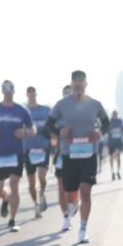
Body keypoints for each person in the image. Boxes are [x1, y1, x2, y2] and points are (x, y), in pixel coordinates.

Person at [44, 70, 109, 244]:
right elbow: (48, 124)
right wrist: (59, 132)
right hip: (69, 155)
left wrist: (99, 131)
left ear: (86, 84)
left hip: (89, 154)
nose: (79, 86)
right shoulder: (62, 104)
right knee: (70, 194)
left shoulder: (95, 104)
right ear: (72, 84)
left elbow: (106, 122)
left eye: (81, 82)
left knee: (86, 192)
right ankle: (71, 208)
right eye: (76, 83)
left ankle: (83, 230)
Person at [0, 80, 34, 232]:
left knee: (14, 184)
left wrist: (24, 133)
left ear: (13, 92)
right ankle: (5, 199)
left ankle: (12, 220)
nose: (8, 93)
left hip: (15, 153)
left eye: (10, 90)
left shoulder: (22, 110)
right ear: (2, 91)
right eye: (5, 90)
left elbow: (32, 130)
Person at [48, 84, 77, 231]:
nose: (67, 96)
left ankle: (73, 204)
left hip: (78, 155)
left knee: (73, 189)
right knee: (61, 187)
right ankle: (66, 217)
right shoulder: (56, 115)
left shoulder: (80, 113)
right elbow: (49, 132)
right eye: (64, 94)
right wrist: (55, 140)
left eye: (69, 93)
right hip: (61, 156)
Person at [22, 86, 51, 219]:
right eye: (29, 94)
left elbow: (52, 125)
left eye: (33, 94)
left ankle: (42, 192)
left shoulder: (45, 110)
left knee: (42, 177)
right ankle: (36, 205)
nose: (31, 96)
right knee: (32, 183)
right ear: (27, 95)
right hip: (28, 149)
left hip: (43, 147)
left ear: (36, 95)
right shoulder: (23, 112)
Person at [107, 110, 123, 180]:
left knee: (118, 156)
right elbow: (107, 131)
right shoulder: (109, 122)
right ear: (112, 115)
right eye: (113, 114)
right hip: (111, 142)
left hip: (118, 141)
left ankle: (118, 172)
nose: (114, 115)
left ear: (117, 115)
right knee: (111, 157)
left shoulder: (120, 121)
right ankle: (112, 172)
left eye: (116, 114)